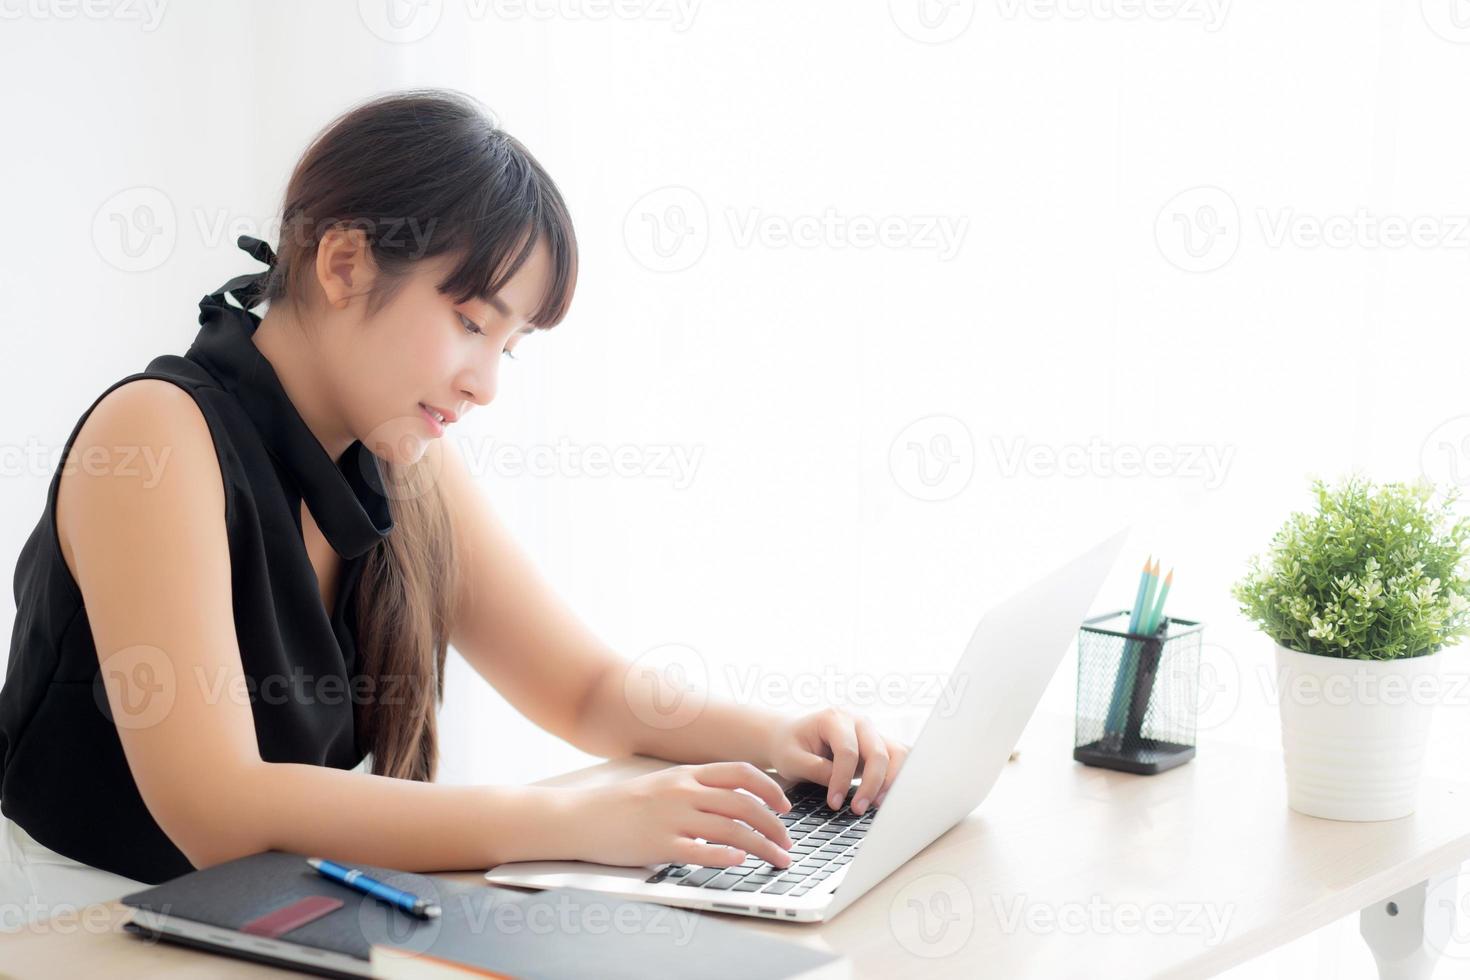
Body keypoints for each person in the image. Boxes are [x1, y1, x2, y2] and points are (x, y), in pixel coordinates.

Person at [0, 88, 909, 927]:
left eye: (509, 348)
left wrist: (782, 739)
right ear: (344, 262)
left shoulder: (396, 456)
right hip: (82, 932)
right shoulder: (156, 437)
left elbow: (583, 689)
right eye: (473, 322)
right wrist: (575, 819)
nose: (484, 385)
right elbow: (218, 811)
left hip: (279, 915)